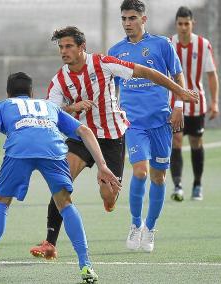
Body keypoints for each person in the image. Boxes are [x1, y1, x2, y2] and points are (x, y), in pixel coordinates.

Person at [30, 25, 198, 258]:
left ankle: (111, 201)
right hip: (81, 136)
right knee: (61, 182)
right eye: (61, 47)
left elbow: (146, 72)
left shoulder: (104, 63)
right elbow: (51, 112)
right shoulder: (60, 79)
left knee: (108, 195)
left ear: (82, 47)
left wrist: (179, 92)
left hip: (112, 138)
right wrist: (72, 107)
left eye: (68, 46)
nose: (64, 51)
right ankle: (50, 242)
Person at [0, 72, 122, 283]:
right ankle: (86, 265)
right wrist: (102, 165)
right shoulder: (48, 106)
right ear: (32, 93)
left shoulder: (1, 105)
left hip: (19, 150)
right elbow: (84, 130)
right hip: (53, 149)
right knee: (65, 204)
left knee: (2, 202)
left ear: (8, 93)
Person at [108, 0, 193, 252]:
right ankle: (135, 225)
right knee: (140, 172)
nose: (127, 23)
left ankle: (150, 227)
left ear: (143, 20)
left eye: (132, 18)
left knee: (158, 176)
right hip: (133, 124)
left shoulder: (162, 45)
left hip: (161, 122)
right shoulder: (115, 51)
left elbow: (178, 76)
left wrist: (179, 106)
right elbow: (110, 87)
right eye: (124, 19)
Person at [169, 6, 219, 202]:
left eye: (186, 24)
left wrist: (215, 102)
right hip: (175, 104)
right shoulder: (169, 44)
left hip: (197, 104)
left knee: (196, 142)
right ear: (176, 24)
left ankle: (197, 184)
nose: (183, 27)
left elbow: (212, 75)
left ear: (192, 24)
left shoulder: (203, 44)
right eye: (180, 24)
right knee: (177, 141)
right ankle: (178, 185)